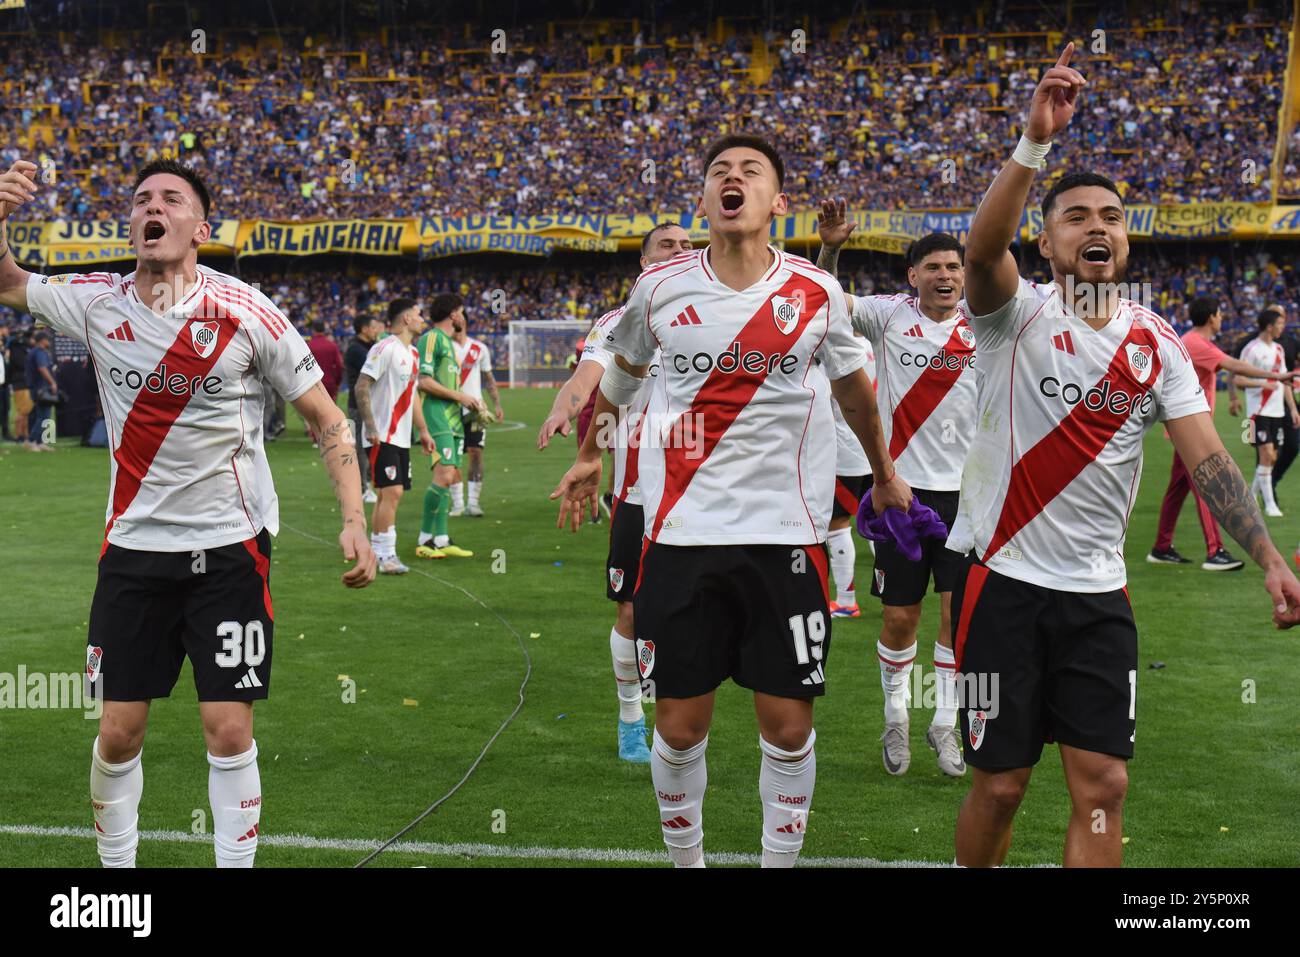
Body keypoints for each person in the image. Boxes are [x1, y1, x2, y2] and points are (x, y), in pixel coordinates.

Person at [953, 45, 1300, 868]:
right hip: (999, 587)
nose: (1097, 226)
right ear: (1046, 244)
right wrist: (1034, 144)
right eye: (1076, 217)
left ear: (1127, 240)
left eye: (1110, 216)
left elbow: (1211, 461)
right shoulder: (1013, 314)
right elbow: (979, 250)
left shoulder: (1158, 346)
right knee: (1000, 785)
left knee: (1103, 785)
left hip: (1098, 600)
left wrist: (1270, 560)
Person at [0, 156, 376, 869]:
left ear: (201, 227)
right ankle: (119, 882)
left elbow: (327, 418)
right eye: (143, 198)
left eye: (172, 198)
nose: (154, 207)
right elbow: (8, 280)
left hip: (230, 549)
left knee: (228, 727)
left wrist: (354, 516)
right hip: (135, 550)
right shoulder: (95, 302)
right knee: (119, 732)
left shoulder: (246, 311)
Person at [551, 134, 912, 868]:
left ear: (778, 202)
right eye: (719, 172)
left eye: (750, 171)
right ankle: (690, 864)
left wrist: (883, 470)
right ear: (706, 198)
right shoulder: (659, 288)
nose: (732, 180)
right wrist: (593, 450)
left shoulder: (815, 292)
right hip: (682, 535)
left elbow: (852, 389)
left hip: (787, 533)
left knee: (786, 725)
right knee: (681, 726)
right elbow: (621, 372)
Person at [819, 214, 976, 780]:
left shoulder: (988, 325)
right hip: (900, 494)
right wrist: (831, 249)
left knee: (959, 619)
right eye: (933, 267)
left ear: (965, 276)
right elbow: (825, 299)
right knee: (901, 619)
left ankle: (945, 722)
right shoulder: (888, 315)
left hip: (970, 499)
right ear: (913, 275)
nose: (944, 276)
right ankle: (894, 715)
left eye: (953, 267)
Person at [538, 221, 695, 763]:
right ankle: (631, 716)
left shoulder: (717, 318)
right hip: (638, 496)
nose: (680, 251)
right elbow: (590, 376)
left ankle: (676, 719)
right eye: (667, 245)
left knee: (688, 616)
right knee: (630, 613)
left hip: (704, 497)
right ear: (644, 264)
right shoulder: (620, 322)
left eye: (686, 245)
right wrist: (568, 406)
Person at [1148, 298, 1296, 570]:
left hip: (1189, 422)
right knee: (1209, 483)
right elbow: (1234, 368)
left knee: (1177, 489)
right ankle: (1215, 551)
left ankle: (1161, 547)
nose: (1222, 318)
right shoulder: (1196, 343)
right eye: (1219, 314)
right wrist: (1274, 377)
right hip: (1192, 425)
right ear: (1211, 317)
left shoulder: (1194, 342)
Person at [353, 297, 436, 575]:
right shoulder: (384, 348)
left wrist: (423, 431)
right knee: (392, 492)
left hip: (400, 436)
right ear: (406, 319)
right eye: (418, 314)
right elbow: (361, 386)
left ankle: (378, 552)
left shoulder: (412, 354)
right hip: (382, 435)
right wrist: (371, 426)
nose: (422, 319)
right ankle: (386, 554)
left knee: (389, 495)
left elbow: (412, 397)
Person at [413, 293, 481, 559]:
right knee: (442, 476)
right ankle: (424, 540)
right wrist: (461, 397)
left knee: (449, 475)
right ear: (454, 314)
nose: (463, 317)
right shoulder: (431, 338)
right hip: (437, 417)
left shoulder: (448, 343)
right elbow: (424, 381)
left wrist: (471, 403)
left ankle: (441, 539)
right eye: (462, 312)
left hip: (453, 419)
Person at [1235, 307, 1298, 517]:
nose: (1283, 327)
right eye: (1280, 324)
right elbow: (1238, 378)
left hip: (1277, 412)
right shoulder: (1251, 349)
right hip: (1257, 412)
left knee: (1270, 458)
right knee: (1266, 454)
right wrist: (1263, 384)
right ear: (1270, 326)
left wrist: (1293, 409)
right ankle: (1270, 506)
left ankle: (1250, 497)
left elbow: (1285, 382)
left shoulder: (1279, 350)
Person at [450, 311, 504, 518]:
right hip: (451, 409)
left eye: (458, 316)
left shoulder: (479, 348)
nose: (455, 320)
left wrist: (497, 404)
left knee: (476, 452)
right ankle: (457, 503)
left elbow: (488, 378)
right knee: (452, 456)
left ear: (465, 321)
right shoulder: (444, 346)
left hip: (475, 410)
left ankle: (473, 503)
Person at [345, 311, 384, 504]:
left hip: (368, 404)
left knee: (368, 446)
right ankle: (362, 488)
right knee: (360, 448)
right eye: (374, 326)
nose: (377, 330)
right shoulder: (356, 350)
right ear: (365, 329)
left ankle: (368, 484)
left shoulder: (367, 347)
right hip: (357, 406)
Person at [24, 327, 57, 450]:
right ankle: (32, 441)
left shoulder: (35, 351)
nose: (49, 342)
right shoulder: (39, 352)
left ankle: (40, 442)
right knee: (42, 416)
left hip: (38, 387)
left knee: (45, 415)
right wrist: (52, 383)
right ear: (42, 340)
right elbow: (42, 368)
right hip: (41, 388)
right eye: (47, 339)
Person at [8, 326, 30, 444]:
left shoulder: (18, 348)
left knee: (25, 410)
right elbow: (21, 364)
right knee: (22, 410)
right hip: (20, 382)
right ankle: (19, 435)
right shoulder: (17, 348)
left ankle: (25, 434)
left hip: (22, 381)